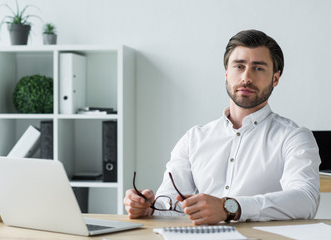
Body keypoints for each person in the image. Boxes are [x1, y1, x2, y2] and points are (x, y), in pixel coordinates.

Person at [123, 29, 321, 225]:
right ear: (226, 73)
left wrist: (231, 208)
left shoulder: (294, 137)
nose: (246, 77)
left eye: (258, 68)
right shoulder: (194, 138)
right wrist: (148, 208)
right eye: (239, 66)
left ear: (275, 78)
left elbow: (305, 200)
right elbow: (169, 203)